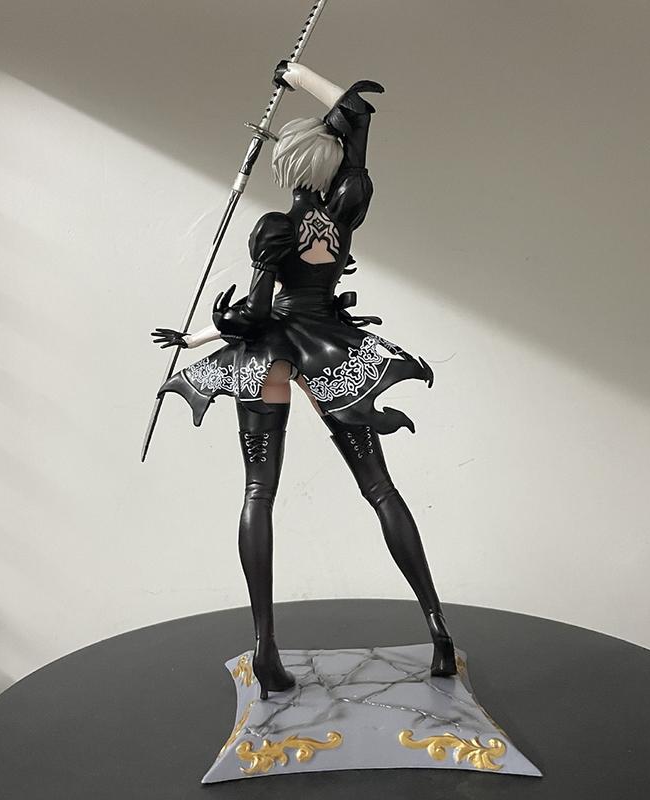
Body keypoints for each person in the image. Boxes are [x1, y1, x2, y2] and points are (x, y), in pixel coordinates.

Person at [152, 61, 456, 699]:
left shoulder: (276, 229)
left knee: (259, 491)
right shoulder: (346, 212)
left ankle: (266, 645)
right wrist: (300, 76)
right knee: (380, 488)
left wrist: (215, 329)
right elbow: (358, 116)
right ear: (332, 164)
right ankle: (437, 629)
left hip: (274, 354)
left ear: (286, 166)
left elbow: (259, 314)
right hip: (332, 350)